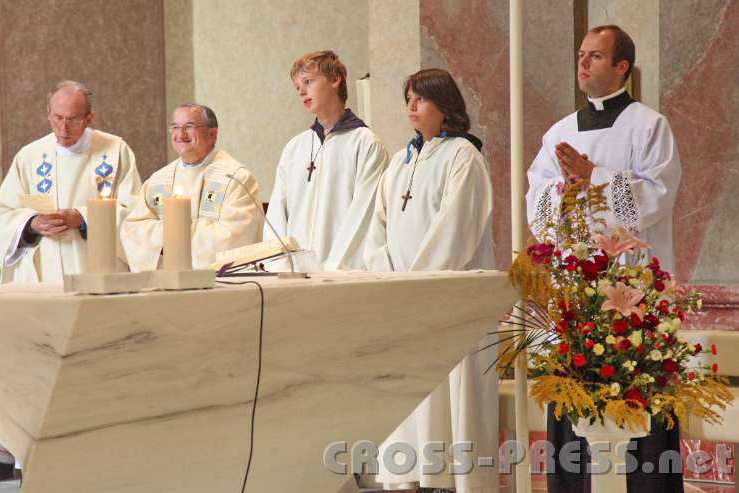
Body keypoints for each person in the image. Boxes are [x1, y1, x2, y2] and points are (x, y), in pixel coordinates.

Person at [526, 25, 683, 493]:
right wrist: (565, 188)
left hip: (633, 290)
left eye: (595, 56)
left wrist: (595, 177)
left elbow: (657, 198)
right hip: (576, 291)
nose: (583, 63)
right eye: (581, 55)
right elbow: (537, 206)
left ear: (621, 68)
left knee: (641, 398)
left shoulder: (650, 125)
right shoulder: (558, 132)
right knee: (570, 398)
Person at [365, 68, 497, 493]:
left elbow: (456, 230)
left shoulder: (464, 156)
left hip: (447, 304)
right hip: (404, 300)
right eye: (408, 99)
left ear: (445, 105)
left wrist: (417, 284)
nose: (411, 107)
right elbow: (377, 228)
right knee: (411, 412)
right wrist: (389, 278)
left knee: (451, 409)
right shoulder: (400, 164)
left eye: (420, 99)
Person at [0, 80, 141, 282]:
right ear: (48, 113)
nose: (63, 127)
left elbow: (134, 212)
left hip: (95, 269)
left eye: (73, 120)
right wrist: (32, 223)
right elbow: (4, 212)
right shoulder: (30, 156)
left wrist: (82, 218)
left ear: (89, 118)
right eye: (57, 118)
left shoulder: (115, 151)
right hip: (42, 274)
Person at [264, 50, 389, 271]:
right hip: (294, 277)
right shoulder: (295, 148)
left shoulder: (365, 144)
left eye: (308, 81)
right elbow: (276, 213)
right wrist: (281, 267)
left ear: (334, 79)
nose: (301, 91)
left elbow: (363, 216)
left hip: (342, 277)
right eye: (297, 87)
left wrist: (332, 271)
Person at [121, 103, 262, 271]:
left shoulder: (236, 179)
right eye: (175, 127)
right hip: (166, 284)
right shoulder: (157, 181)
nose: (180, 134)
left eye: (189, 127)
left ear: (212, 134)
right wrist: (179, 234)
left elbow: (233, 238)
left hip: (220, 286)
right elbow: (133, 231)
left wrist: (169, 237)